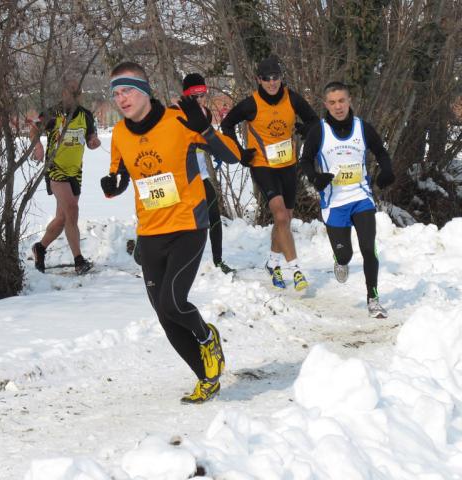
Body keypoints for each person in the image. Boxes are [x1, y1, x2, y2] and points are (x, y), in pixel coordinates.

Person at [101, 61, 241, 403]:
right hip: (150, 232)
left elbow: (233, 157)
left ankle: (208, 338)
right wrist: (112, 184)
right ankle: (207, 376)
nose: (121, 99)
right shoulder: (119, 134)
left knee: (173, 302)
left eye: (128, 90)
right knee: (165, 315)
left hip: (188, 225)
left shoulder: (179, 120)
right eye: (116, 93)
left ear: (146, 91)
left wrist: (206, 130)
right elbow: (118, 179)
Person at [221, 55, 319, 290]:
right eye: (267, 79)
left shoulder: (292, 98)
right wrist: (240, 152)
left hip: (287, 165)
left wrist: (304, 128)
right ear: (259, 80)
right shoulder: (251, 104)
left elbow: (314, 120)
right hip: (263, 166)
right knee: (282, 216)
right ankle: (295, 270)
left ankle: (273, 263)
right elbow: (227, 124)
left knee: (284, 219)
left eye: (276, 77)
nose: (272, 83)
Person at [300, 81, 395, 319]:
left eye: (342, 100)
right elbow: (305, 160)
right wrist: (316, 178)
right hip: (334, 203)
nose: (338, 106)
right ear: (325, 104)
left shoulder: (362, 128)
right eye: (332, 102)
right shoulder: (319, 131)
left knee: (368, 248)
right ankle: (339, 260)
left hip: (361, 197)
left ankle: (373, 299)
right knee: (346, 255)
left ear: (349, 101)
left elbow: (381, 151)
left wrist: (386, 170)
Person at [31, 78, 101, 275]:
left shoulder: (85, 115)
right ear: (62, 93)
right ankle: (79, 260)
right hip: (56, 168)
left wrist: (94, 142)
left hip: (75, 171)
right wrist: (37, 145)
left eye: (76, 93)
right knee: (72, 208)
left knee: (63, 218)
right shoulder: (53, 113)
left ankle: (40, 248)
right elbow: (34, 127)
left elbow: (90, 138)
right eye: (69, 92)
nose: (73, 96)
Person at [181, 73, 234, 274]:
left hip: (200, 176)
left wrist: (216, 150)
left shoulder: (206, 114)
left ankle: (218, 261)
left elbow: (207, 140)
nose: (200, 100)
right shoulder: (176, 115)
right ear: (186, 97)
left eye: (203, 95)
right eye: (195, 96)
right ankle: (145, 246)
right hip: (180, 179)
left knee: (213, 214)